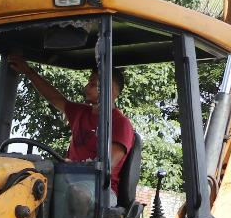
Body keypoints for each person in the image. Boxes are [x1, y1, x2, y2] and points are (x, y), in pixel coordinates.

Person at [8, 55, 136, 183]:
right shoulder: (81, 112)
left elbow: (105, 166)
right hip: (68, 181)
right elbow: (55, 98)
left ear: (110, 90)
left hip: (100, 189)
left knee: (77, 195)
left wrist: (74, 166)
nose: (86, 87)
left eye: (92, 83)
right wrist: (28, 71)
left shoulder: (120, 123)